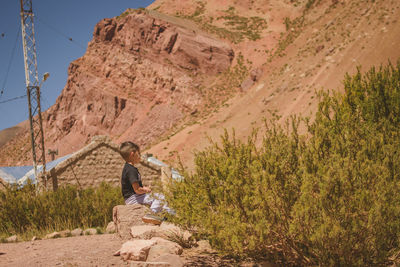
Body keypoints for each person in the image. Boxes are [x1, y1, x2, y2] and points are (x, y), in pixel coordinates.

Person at [119, 141, 174, 224]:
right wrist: (146, 190)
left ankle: (169, 215)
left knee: (160, 198)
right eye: (139, 153)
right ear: (132, 154)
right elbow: (137, 190)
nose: (140, 156)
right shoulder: (131, 170)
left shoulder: (128, 168)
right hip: (133, 198)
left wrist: (144, 189)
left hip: (132, 197)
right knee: (160, 197)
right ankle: (152, 215)